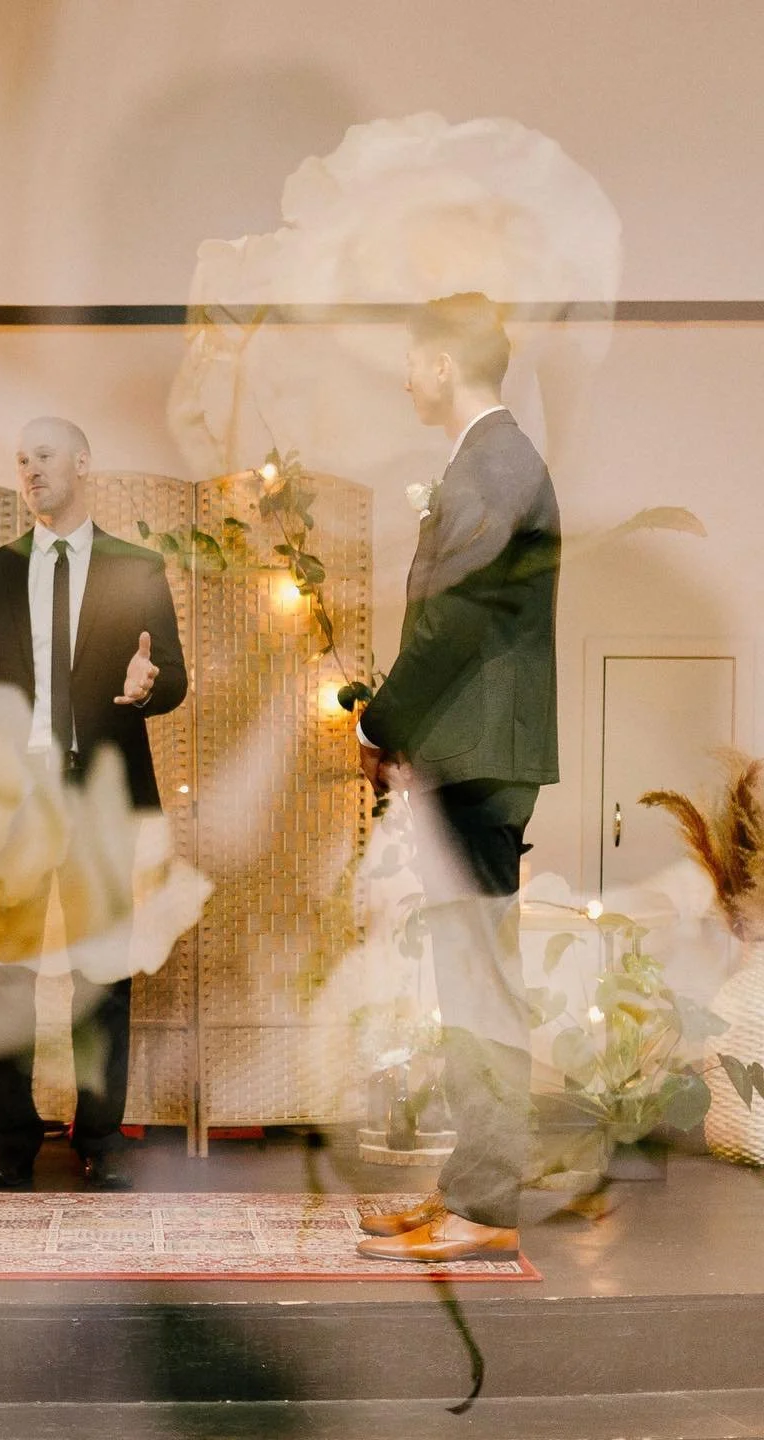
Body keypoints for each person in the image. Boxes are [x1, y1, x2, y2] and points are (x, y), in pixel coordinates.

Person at [354, 296, 561, 1263]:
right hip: (470, 755)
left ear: (443, 363)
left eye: (410, 361)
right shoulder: (492, 460)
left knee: (480, 987)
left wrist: (380, 719)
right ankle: (470, 1190)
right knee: (469, 985)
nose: (403, 379)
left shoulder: (495, 461)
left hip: (478, 759)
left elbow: (452, 623)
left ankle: (484, 1210)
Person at [0, 417, 187, 1191]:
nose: (29, 470)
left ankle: (101, 1141)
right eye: (20, 459)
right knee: (5, 977)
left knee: (103, 976)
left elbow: (174, 678)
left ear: (83, 463)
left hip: (101, 798)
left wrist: (152, 687)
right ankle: (9, 1150)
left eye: (43, 456)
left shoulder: (139, 566)